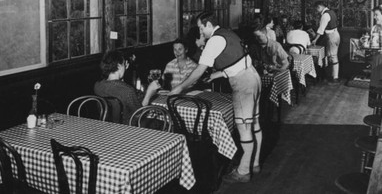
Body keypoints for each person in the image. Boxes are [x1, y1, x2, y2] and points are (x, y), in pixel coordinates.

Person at [169, 11, 262, 184]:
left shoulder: (214, 40)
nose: (200, 31)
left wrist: (180, 88)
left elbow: (198, 71)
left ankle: (243, 171)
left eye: (201, 28)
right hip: (252, 77)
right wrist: (216, 74)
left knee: (244, 128)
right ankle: (254, 163)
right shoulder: (227, 32)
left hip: (243, 84)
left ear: (208, 25)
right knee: (254, 123)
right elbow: (237, 61)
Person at [94, 50, 160, 124]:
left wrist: (122, 74)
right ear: (119, 65)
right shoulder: (127, 90)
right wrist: (149, 93)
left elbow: (117, 90)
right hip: (128, 128)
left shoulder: (98, 85)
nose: (126, 66)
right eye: (124, 63)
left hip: (107, 126)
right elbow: (139, 114)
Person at [313, 1, 341, 82]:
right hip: (335, 34)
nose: (316, 11)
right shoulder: (331, 11)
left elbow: (321, 29)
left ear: (319, 6)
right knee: (330, 55)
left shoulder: (325, 15)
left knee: (333, 56)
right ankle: (332, 75)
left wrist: (315, 40)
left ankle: (335, 77)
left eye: (316, 9)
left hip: (331, 36)